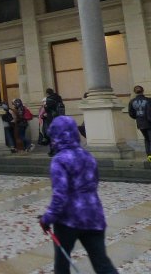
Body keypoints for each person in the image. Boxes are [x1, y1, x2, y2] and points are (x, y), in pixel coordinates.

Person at [38, 116, 118, 274]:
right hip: (93, 215)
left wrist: (47, 218)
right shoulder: (88, 156)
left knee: (62, 266)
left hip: (68, 220)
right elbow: (94, 182)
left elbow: (60, 195)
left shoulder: (59, 160)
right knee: (102, 264)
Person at [128, 85, 151, 162]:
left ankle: (149, 157)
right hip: (149, 123)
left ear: (134, 92)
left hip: (140, 123)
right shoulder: (148, 100)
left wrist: (138, 117)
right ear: (143, 91)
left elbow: (131, 113)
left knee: (147, 140)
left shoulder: (132, 101)